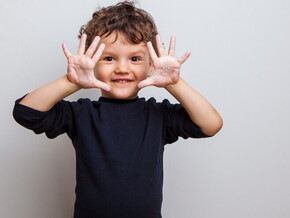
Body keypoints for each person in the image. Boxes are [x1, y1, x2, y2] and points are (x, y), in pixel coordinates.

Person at [13, 1, 223, 217]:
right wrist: (71, 82)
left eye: (134, 59)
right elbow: (25, 112)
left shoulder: (158, 115)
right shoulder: (81, 113)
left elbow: (211, 125)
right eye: (109, 58)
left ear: (150, 65)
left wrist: (174, 83)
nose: (122, 68)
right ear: (92, 62)